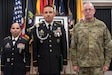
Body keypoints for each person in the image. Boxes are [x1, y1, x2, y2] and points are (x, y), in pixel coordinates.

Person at [70, 2, 112, 75]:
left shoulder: (101, 25)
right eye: (85, 10)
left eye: (90, 9)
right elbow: (73, 47)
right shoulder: (77, 27)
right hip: (82, 65)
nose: (88, 12)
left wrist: (107, 63)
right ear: (82, 12)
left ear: (94, 11)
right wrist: (74, 63)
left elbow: (108, 45)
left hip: (98, 65)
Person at [32, 5, 68, 75]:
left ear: (54, 14)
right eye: (46, 12)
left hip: (56, 62)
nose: (48, 14)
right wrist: (35, 63)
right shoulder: (37, 28)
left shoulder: (60, 27)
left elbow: (64, 44)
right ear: (42, 14)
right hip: (43, 62)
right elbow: (35, 47)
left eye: (50, 12)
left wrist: (64, 61)